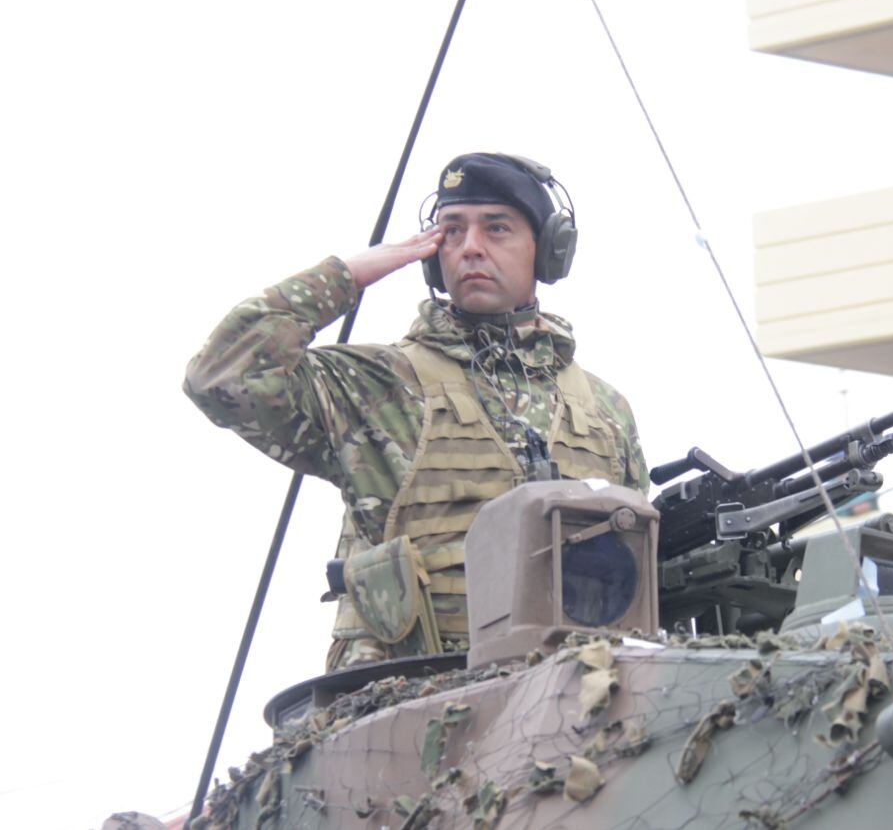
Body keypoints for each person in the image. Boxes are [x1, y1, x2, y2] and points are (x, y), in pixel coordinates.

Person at [185, 153, 648, 670]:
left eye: (497, 228)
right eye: (451, 231)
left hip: (567, 700)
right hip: (407, 697)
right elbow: (222, 375)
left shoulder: (604, 413)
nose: (471, 247)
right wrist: (349, 275)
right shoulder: (377, 386)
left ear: (548, 252)